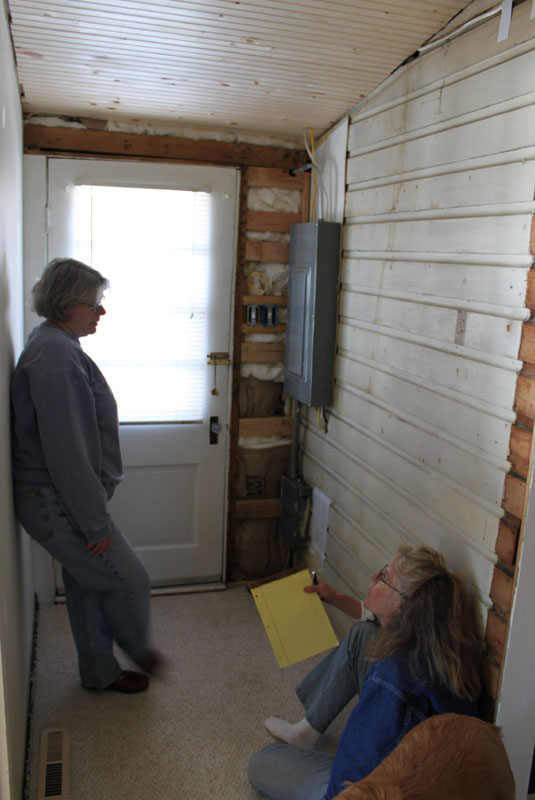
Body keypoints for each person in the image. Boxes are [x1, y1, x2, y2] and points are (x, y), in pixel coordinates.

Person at [11, 257, 162, 693]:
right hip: (55, 501)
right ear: (66, 304)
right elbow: (67, 451)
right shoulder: (56, 356)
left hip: (56, 497)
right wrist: (94, 522)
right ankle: (138, 649)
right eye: (94, 305)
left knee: (86, 583)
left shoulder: (54, 343)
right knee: (128, 579)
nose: (101, 312)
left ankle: (99, 673)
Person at [248, 545, 482, 800]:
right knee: (364, 635)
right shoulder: (434, 643)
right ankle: (306, 730)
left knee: (263, 762)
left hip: (390, 791)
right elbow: (368, 614)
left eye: (384, 577)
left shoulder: (391, 675)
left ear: (403, 606)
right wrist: (334, 597)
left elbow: (357, 770)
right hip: (434, 778)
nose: (374, 576)